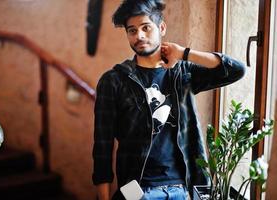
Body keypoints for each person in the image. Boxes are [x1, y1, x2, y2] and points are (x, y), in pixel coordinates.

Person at [92, 0, 245, 199]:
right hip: (136, 190)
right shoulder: (114, 81)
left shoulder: (182, 73)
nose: (139, 35)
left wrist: (184, 53)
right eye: (132, 30)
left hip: (182, 188)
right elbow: (102, 148)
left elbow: (236, 70)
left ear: (161, 27)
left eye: (146, 27)